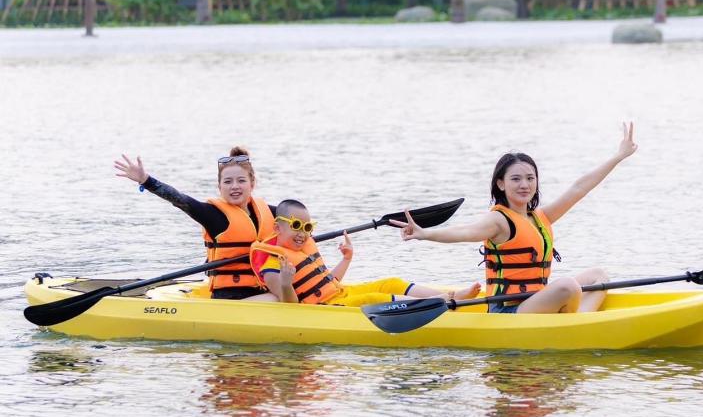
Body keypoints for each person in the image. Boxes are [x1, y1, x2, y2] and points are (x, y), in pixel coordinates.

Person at [392, 122, 639, 314]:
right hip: (508, 309)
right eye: (516, 179)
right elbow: (465, 232)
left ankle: (580, 319)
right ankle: (578, 323)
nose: (524, 185)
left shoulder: (540, 217)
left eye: (530, 178)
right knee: (567, 286)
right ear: (501, 184)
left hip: (535, 299)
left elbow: (579, 188)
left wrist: (618, 157)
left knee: (598, 276)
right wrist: (425, 234)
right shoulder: (499, 221)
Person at [114, 147, 277, 300]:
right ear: (219, 186)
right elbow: (179, 199)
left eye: (241, 180)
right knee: (278, 298)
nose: (234, 186)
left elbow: (298, 215)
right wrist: (146, 180)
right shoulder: (212, 214)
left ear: (252, 183)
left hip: (263, 290)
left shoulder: (269, 212)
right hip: (230, 297)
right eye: (227, 182)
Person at [250, 199, 481, 307]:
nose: (303, 233)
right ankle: (443, 301)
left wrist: (346, 259)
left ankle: (449, 293)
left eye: (308, 227)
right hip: (327, 308)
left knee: (389, 283)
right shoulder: (273, 264)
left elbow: (330, 282)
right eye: (296, 226)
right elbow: (290, 306)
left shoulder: (302, 249)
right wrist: (286, 282)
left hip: (338, 294)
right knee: (374, 300)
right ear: (278, 227)